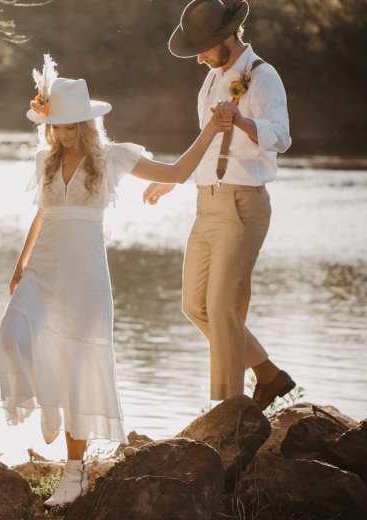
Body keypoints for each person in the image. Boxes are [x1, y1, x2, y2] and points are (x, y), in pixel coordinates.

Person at [0, 55, 232, 507]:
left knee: (79, 367)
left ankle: (74, 474)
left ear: (84, 123)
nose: (58, 133)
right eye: (54, 125)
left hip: (84, 278)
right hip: (42, 271)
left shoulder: (113, 158)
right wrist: (20, 264)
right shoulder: (45, 159)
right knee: (12, 338)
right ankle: (46, 406)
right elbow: (43, 212)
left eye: (66, 126)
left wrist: (213, 131)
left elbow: (177, 173)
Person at [143, 0, 296, 408]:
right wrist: (175, 182)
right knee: (194, 305)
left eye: (205, 46)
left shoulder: (263, 77)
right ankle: (268, 374)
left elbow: (281, 138)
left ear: (228, 37)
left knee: (223, 308)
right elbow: (210, 147)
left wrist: (242, 122)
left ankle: (227, 414)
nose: (199, 56)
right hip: (206, 203)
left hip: (243, 205)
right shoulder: (211, 81)